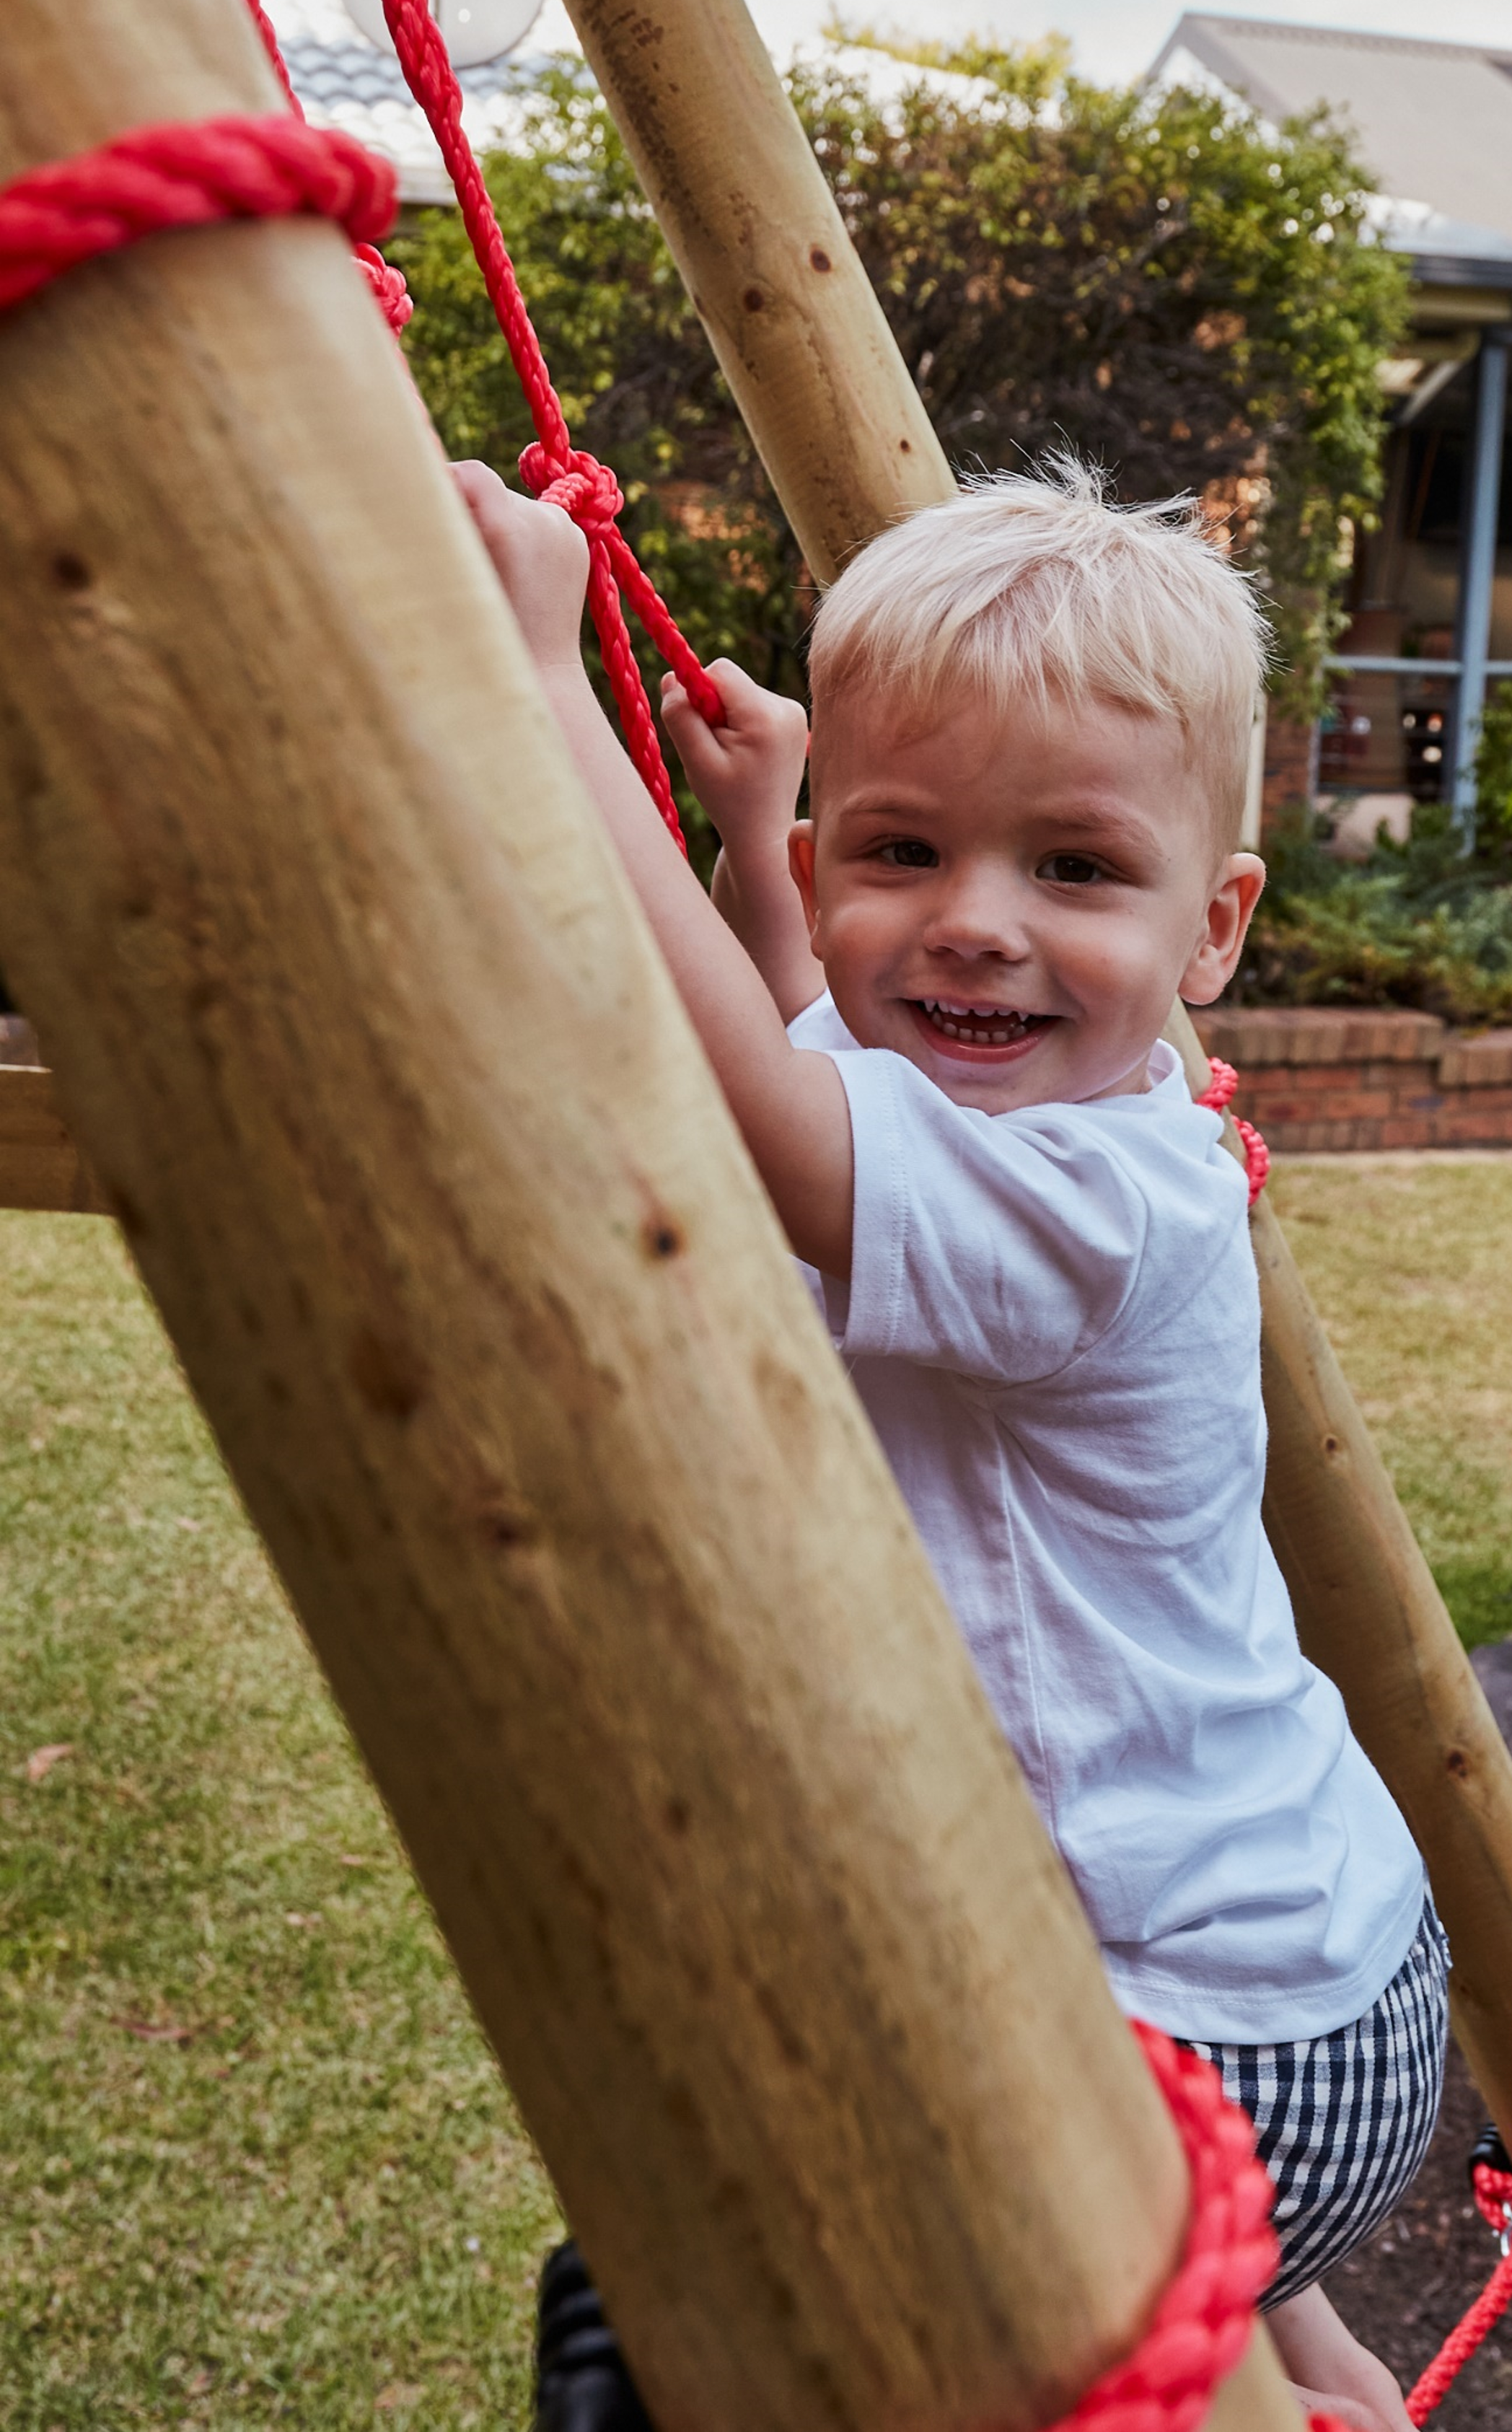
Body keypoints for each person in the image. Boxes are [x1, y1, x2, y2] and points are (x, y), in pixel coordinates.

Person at [452, 453, 1445, 2432]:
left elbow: (760, 1124)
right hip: (1275, 1941)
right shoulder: (970, 1085)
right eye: (902, 849)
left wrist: (543, 684)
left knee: (694, 2280)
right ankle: (1303, 2348)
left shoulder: (1103, 1201)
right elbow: (807, 1035)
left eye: (1073, 870)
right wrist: (762, 849)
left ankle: (1260, 2306)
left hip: (1218, 2039)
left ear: (1216, 929)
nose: (974, 926)